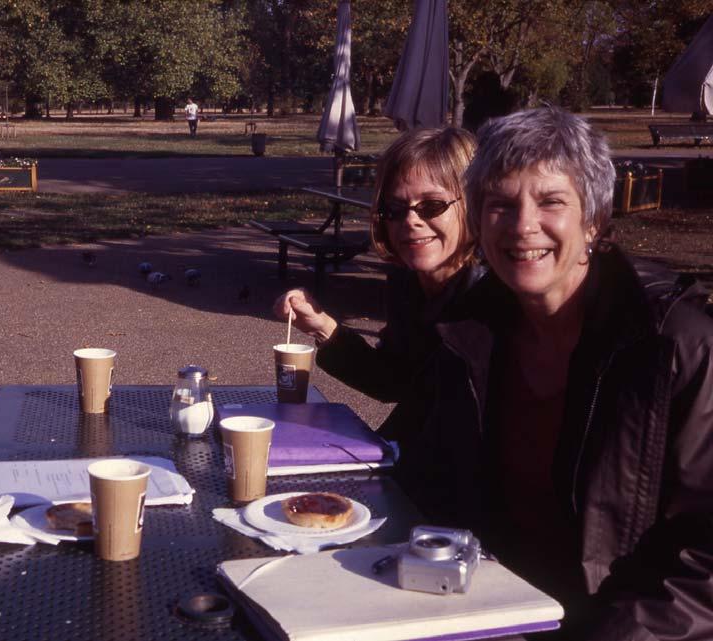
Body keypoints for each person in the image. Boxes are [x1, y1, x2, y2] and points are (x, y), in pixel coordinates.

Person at [419, 106, 713, 638]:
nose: (522, 225)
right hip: (488, 610)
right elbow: (435, 479)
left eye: (550, 201)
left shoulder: (677, 344)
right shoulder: (469, 329)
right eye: (500, 205)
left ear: (595, 220)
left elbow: (704, 569)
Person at [273, 128, 482, 460]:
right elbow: (394, 382)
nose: (411, 220)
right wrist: (322, 326)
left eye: (431, 206)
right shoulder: (409, 280)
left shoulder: (489, 299)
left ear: (472, 204)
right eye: (395, 209)